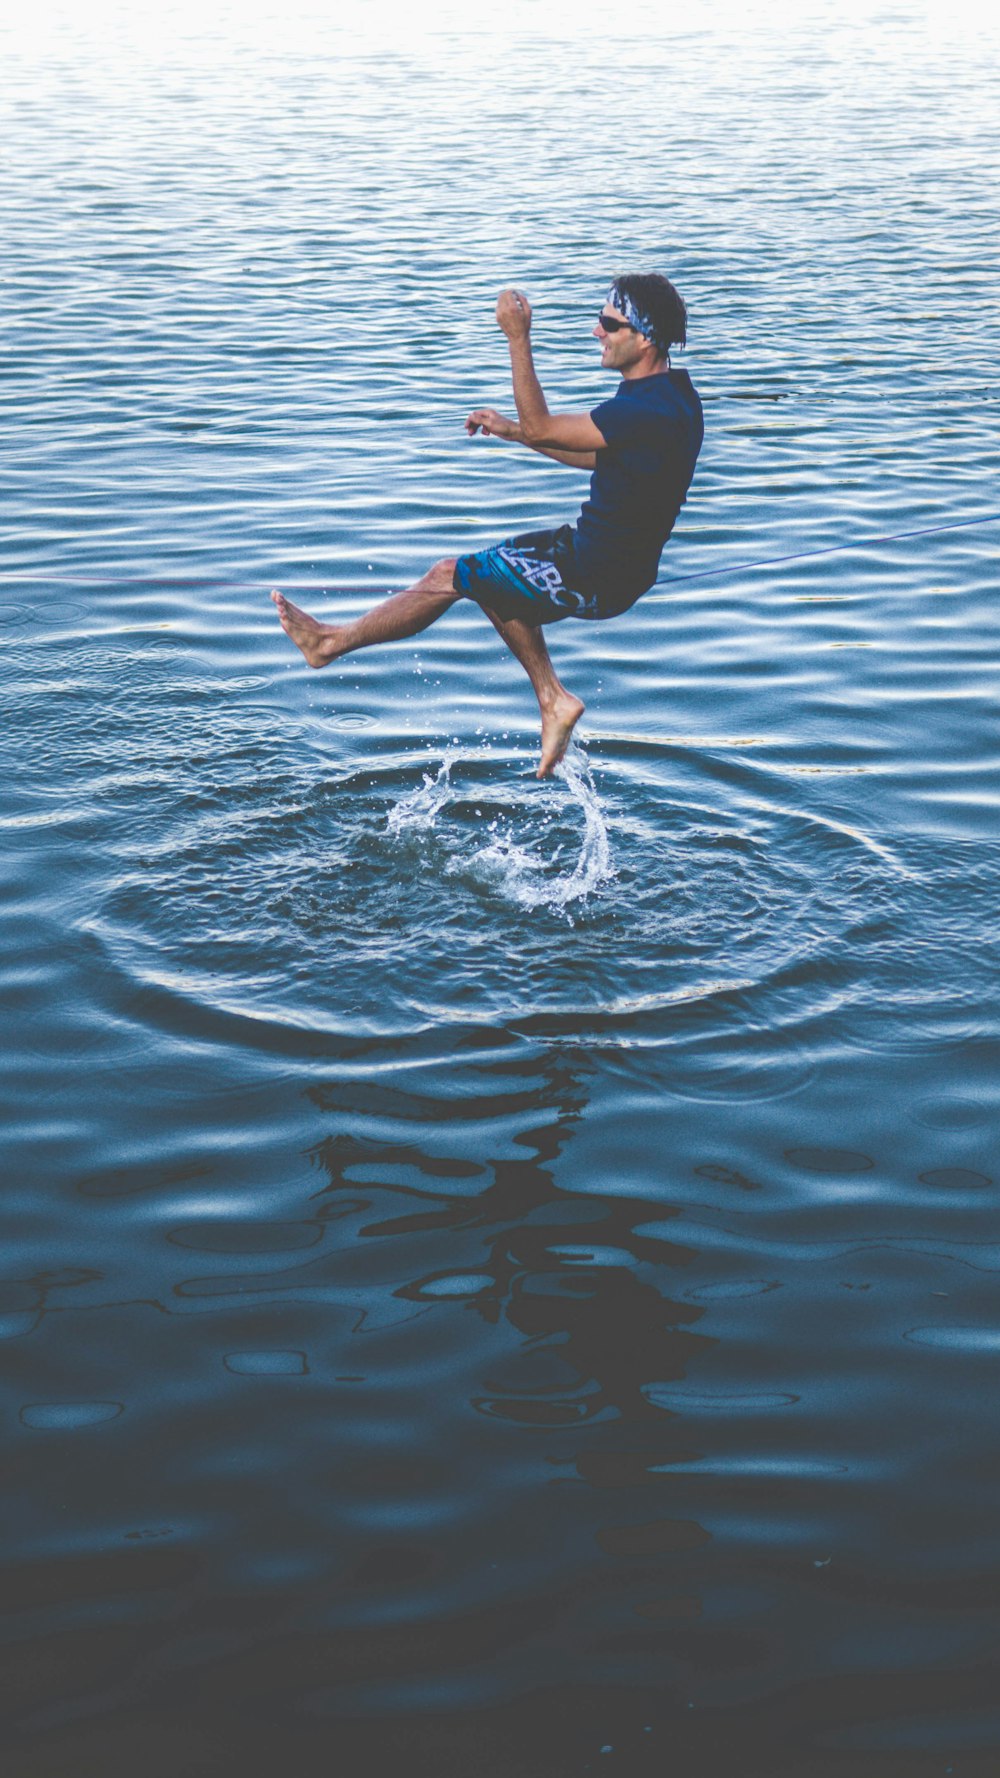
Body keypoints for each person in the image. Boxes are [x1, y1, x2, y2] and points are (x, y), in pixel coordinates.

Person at [271, 273, 703, 777]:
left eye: (608, 322)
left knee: (453, 575)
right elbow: (596, 457)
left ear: (645, 337)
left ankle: (330, 645)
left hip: (594, 571)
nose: (596, 332)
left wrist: (518, 337)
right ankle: (551, 699)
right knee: (489, 577)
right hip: (604, 561)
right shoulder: (673, 399)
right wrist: (516, 433)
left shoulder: (640, 410)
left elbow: (550, 426)